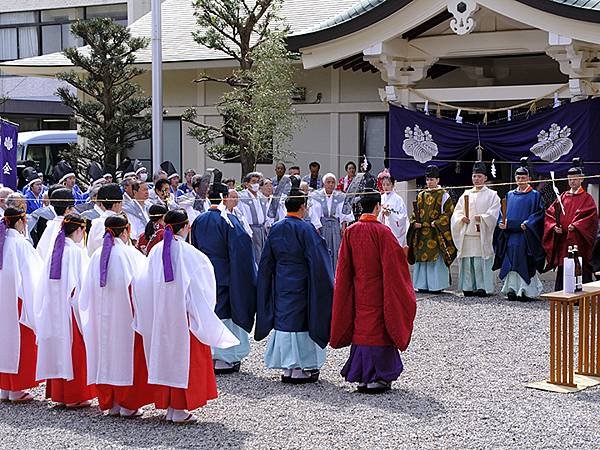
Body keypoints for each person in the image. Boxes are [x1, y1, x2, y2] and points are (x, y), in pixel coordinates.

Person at [134, 209, 238, 423]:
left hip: (160, 317)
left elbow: (142, 283)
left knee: (165, 358)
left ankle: (170, 406)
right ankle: (180, 409)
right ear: (186, 227)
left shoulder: (155, 251)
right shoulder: (191, 254)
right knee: (185, 361)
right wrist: (201, 311)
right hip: (185, 318)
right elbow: (204, 288)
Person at [331, 189, 417, 393]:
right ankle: (378, 376)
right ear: (378, 207)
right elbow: (395, 267)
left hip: (359, 288)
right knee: (378, 327)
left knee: (362, 326)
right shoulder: (383, 232)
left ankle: (363, 376)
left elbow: (343, 268)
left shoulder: (351, 231)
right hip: (380, 289)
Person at [255, 176, 334, 384]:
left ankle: (287, 368)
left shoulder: (277, 228)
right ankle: (300, 367)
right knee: (300, 323)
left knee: (284, 322)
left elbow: (266, 262)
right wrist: (327, 283)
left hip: (281, 281)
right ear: (303, 207)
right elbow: (319, 259)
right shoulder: (306, 229)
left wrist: (265, 284)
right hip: (302, 282)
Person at [78, 214, 153, 417]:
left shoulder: (97, 255)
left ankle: (111, 403)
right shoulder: (129, 254)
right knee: (126, 357)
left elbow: (85, 291)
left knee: (105, 355)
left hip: (101, 317)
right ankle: (128, 404)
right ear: (126, 230)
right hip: (125, 317)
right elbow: (143, 286)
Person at [191, 173, 257, 374]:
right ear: (223, 198)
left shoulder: (199, 220)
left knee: (211, 312)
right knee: (227, 313)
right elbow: (241, 248)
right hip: (226, 275)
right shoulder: (228, 220)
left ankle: (210, 355)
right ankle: (226, 357)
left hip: (204, 273)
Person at [34, 213, 97, 408]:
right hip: (71, 309)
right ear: (79, 230)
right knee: (74, 350)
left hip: (53, 307)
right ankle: (74, 395)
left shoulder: (56, 250)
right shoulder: (76, 252)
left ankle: (60, 394)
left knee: (59, 349)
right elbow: (82, 283)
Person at [0, 208, 42, 403]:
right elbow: (33, 275)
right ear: (20, 221)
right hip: (18, 300)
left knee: (4, 342)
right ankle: (16, 389)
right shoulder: (20, 244)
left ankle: (5, 387)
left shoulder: (3, 241)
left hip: (3, 299)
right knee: (20, 342)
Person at [493, 159, 546, 301]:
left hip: (525, 234)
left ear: (529, 179)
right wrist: (501, 223)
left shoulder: (535, 195)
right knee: (510, 261)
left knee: (524, 260)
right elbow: (501, 213)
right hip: (510, 235)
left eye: (523, 178)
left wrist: (529, 223)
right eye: (518, 178)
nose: (521, 180)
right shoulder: (510, 195)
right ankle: (511, 289)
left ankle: (525, 290)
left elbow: (539, 214)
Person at [543, 159, 598, 290]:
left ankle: (580, 295)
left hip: (577, 239)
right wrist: (554, 227)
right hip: (563, 240)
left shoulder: (587, 198)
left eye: (575, 178)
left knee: (578, 265)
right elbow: (550, 214)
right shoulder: (562, 196)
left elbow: (590, 217)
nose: (572, 181)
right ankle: (563, 293)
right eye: (570, 179)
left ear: (582, 179)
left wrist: (576, 226)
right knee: (564, 265)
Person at [451, 162, 501, 297]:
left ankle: (483, 287)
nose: (476, 179)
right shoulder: (466, 194)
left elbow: (494, 213)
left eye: (479, 176)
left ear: (485, 178)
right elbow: (456, 212)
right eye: (474, 176)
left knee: (480, 262)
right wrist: (461, 218)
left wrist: (484, 217)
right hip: (467, 233)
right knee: (467, 262)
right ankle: (467, 287)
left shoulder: (492, 195)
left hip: (482, 233)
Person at [407, 165, 456, 293]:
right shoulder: (421, 195)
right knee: (421, 259)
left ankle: (436, 285)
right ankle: (422, 284)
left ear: (438, 180)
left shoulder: (444, 195)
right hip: (422, 233)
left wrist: (438, 222)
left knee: (436, 259)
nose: (429, 182)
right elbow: (414, 213)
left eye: (432, 179)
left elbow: (448, 213)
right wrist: (414, 222)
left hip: (436, 232)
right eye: (428, 179)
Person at [310, 173, 353, 270]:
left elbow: (344, 212)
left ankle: (335, 275)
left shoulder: (340, 196)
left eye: (333, 182)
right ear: (324, 183)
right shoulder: (316, 196)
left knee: (336, 249)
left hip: (335, 226)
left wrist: (343, 225)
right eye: (328, 182)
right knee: (323, 250)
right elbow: (314, 213)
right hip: (322, 226)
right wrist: (317, 228)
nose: (330, 184)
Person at [37, 188, 76, 261]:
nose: (74, 211)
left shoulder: (50, 226)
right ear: (67, 209)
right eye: (72, 208)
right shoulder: (72, 228)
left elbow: (41, 252)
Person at [238, 172, 269, 262]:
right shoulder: (242, 197)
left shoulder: (261, 197)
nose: (256, 184)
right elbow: (240, 214)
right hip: (250, 229)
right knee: (253, 254)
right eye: (253, 182)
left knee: (262, 254)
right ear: (247, 184)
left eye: (258, 182)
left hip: (262, 229)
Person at [87, 183, 123, 256]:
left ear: (102, 204)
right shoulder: (121, 224)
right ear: (117, 204)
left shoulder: (95, 224)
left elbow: (90, 251)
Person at [377, 170, 409, 247]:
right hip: (383, 226)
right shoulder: (381, 198)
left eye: (388, 184)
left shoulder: (398, 199)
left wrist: (390, 215)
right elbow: (377, 213)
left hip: (394, 230)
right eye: (383, 185)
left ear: (393, 185)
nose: (385, 187)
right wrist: (381, 213)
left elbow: (403, 216)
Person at [122, 180, 150, 245]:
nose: (146, 192)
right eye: (143, 190)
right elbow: (132, 231)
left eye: (147, 190)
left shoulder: (149, 205)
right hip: (139, 243)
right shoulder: (129, 209)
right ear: (135, 192)